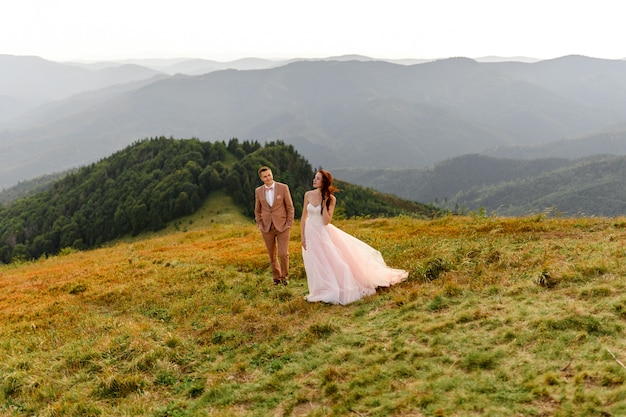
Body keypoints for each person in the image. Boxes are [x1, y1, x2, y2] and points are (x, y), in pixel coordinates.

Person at [300, 169, 408, 305]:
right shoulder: (308, 195)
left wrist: (324, 203)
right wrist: (303, 237)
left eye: (318, 178)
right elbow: (304, 217)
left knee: (330, 260)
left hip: (323, 232)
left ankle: (334, 287)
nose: (314, 180)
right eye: (314, 177)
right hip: (310, 232)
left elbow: (326, 221)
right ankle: (320, 288)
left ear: (324, 182)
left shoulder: (331, 199)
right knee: (315, 261)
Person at [255, 166, 295, 285]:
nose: (268, 178)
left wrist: (289, 223)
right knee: (272, 255)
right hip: (267, 228)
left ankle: (284, 277)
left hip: (283, 226)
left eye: (269, 175)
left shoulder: (283, 188)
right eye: (265, 176)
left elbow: (290, 207)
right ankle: (276, 278)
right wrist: (260, 224)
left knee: (283, 253)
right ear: (261, 178)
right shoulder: (258, 191)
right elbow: (257, 210)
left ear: (272, 174)